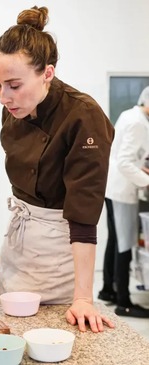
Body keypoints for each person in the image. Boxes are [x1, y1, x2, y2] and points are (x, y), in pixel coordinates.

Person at [0, 5, 115, 333]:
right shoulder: (14, 108)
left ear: (47, 73)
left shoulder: (82, 116)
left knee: (52, 335)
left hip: (62, 246)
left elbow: (84, 214)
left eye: (14, 85)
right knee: (8, 336)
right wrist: (5, 260)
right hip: (20, 239)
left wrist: (84, 298)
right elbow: (23, 196)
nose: (4, 97)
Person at [98, 86, 149, 318]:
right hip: (122, 190)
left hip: (112, 188)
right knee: (125, 245)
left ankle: (108, 290)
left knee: (115, 241)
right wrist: (146, 179)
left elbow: (121, 156)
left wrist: (141, 170)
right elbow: (125, 163)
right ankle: (123, 302)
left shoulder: (129, 114)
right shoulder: (139, 123)